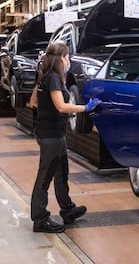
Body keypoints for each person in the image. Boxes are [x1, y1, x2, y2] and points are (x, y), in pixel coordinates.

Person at [29, 42, 101, 233]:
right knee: (44, 177)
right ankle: (40, 219)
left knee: (62, 174)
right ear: (61, 58)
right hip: (51, 136)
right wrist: (85, 108)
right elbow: (61, 106)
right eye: (67, 57)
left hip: (53, 134)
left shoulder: (46, 77)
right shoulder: (53, 78)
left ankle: (68, 210)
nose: (68, 60)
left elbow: (33, 102)